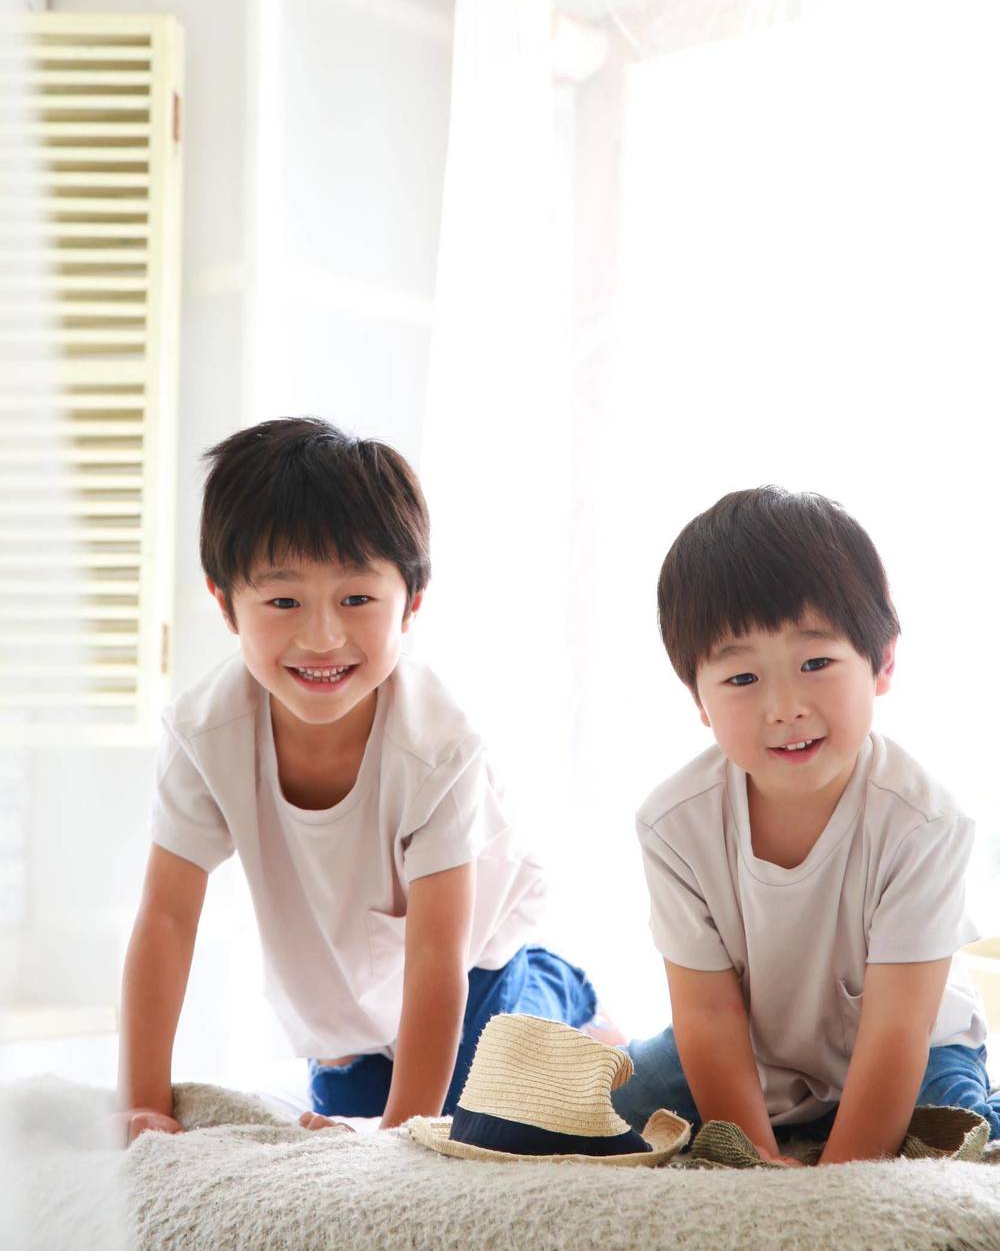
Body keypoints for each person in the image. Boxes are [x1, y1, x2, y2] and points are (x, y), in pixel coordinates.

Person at [119, 417, 601, 1144]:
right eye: (283, 602)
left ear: (412, 601)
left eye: (356, 600)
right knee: (344, 1101)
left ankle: (563, 992)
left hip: (473, 969)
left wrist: (402, 1137)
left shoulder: (438, 747)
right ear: (225, 605)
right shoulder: (205, 734)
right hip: (351, 1011)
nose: (322, 638)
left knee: (491, 1112)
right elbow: (166, 917)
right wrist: (142, 1101)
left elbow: (439, 956)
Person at [611, 486, 999, 1163]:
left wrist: (835, 1182)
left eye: (815, 663)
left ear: (882, 663)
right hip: (753, 1050)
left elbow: (898, 1029)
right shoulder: (674, 825)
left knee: (967, 1137)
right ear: (698, 697)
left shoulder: (924, 822)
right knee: (585, 1116)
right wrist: (756, 1161)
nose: (785, 707)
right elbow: (708, 1016)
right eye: (742, 679)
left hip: (913, 1047)